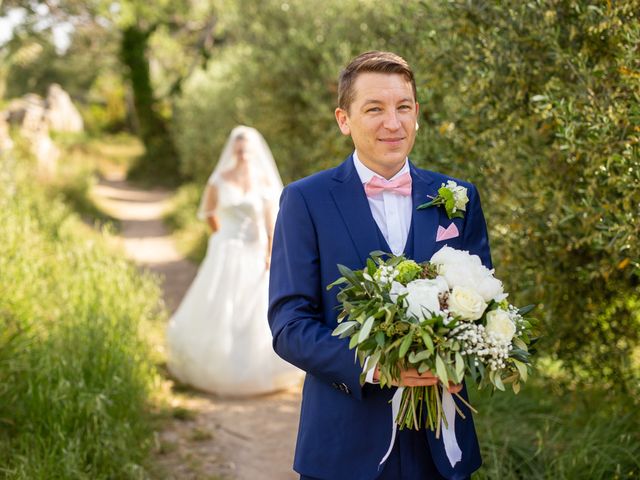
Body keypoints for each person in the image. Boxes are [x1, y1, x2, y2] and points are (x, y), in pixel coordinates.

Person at [268, 52, 492, 479]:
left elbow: (484, 303)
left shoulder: (458, 197)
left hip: (442, 447)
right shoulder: (305, 201)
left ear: (417, 114)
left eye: (403, 107)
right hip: (343, 447)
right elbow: (289, 324)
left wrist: (462, 360)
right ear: (343, 119)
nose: (393, 122)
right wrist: (375, 366)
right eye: (374, 109)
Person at [167, 125, 302, 396]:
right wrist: (222, 236)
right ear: (232, 151)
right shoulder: (219, 180)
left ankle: (257, 367)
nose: (242, 155)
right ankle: (219, 367)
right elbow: (209, 213)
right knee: (222, 305)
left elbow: (271, 223)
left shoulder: (263, 182)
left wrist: (270, 252)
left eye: (246, 151)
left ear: (254, 152)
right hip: (226, 249)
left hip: (255, 251)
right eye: (238, 150)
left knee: (254, 309)